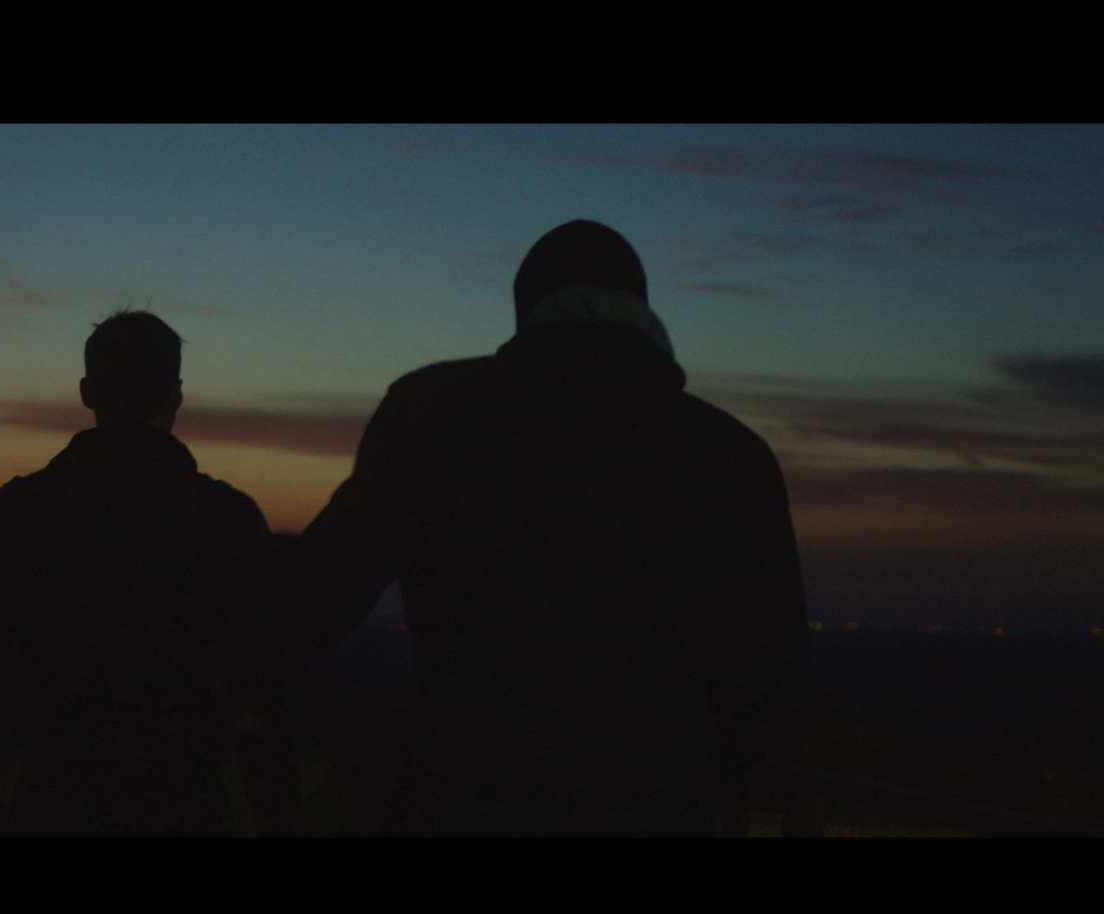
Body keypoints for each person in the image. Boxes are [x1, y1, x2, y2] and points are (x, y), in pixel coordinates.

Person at [222, 220, 810, 836]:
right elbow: (775, 686)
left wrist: (240, 661)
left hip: (469, 802)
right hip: (663, 808)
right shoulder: (733, 456)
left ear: (526, 311)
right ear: (642, 309)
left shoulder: (434, 411)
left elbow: (322, 593)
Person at [0, 310, 298, 837]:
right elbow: (259, 693)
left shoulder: (20, 512)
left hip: (52, 805)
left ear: (87, 392)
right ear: (176, 394)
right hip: (186, 809)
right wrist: (279, 817)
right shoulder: (227, 519)